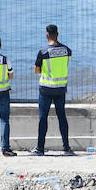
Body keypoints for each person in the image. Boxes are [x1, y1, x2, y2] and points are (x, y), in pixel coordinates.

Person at [33, 24, 72, 156]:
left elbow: (36, 70)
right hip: (60, 88)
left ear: (47, 35)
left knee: (43, 118)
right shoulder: (67, 50)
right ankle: (66, 147)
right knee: (62, 117)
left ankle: (40, 148)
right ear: (58, 34)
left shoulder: (43, 52)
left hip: (46, 89)